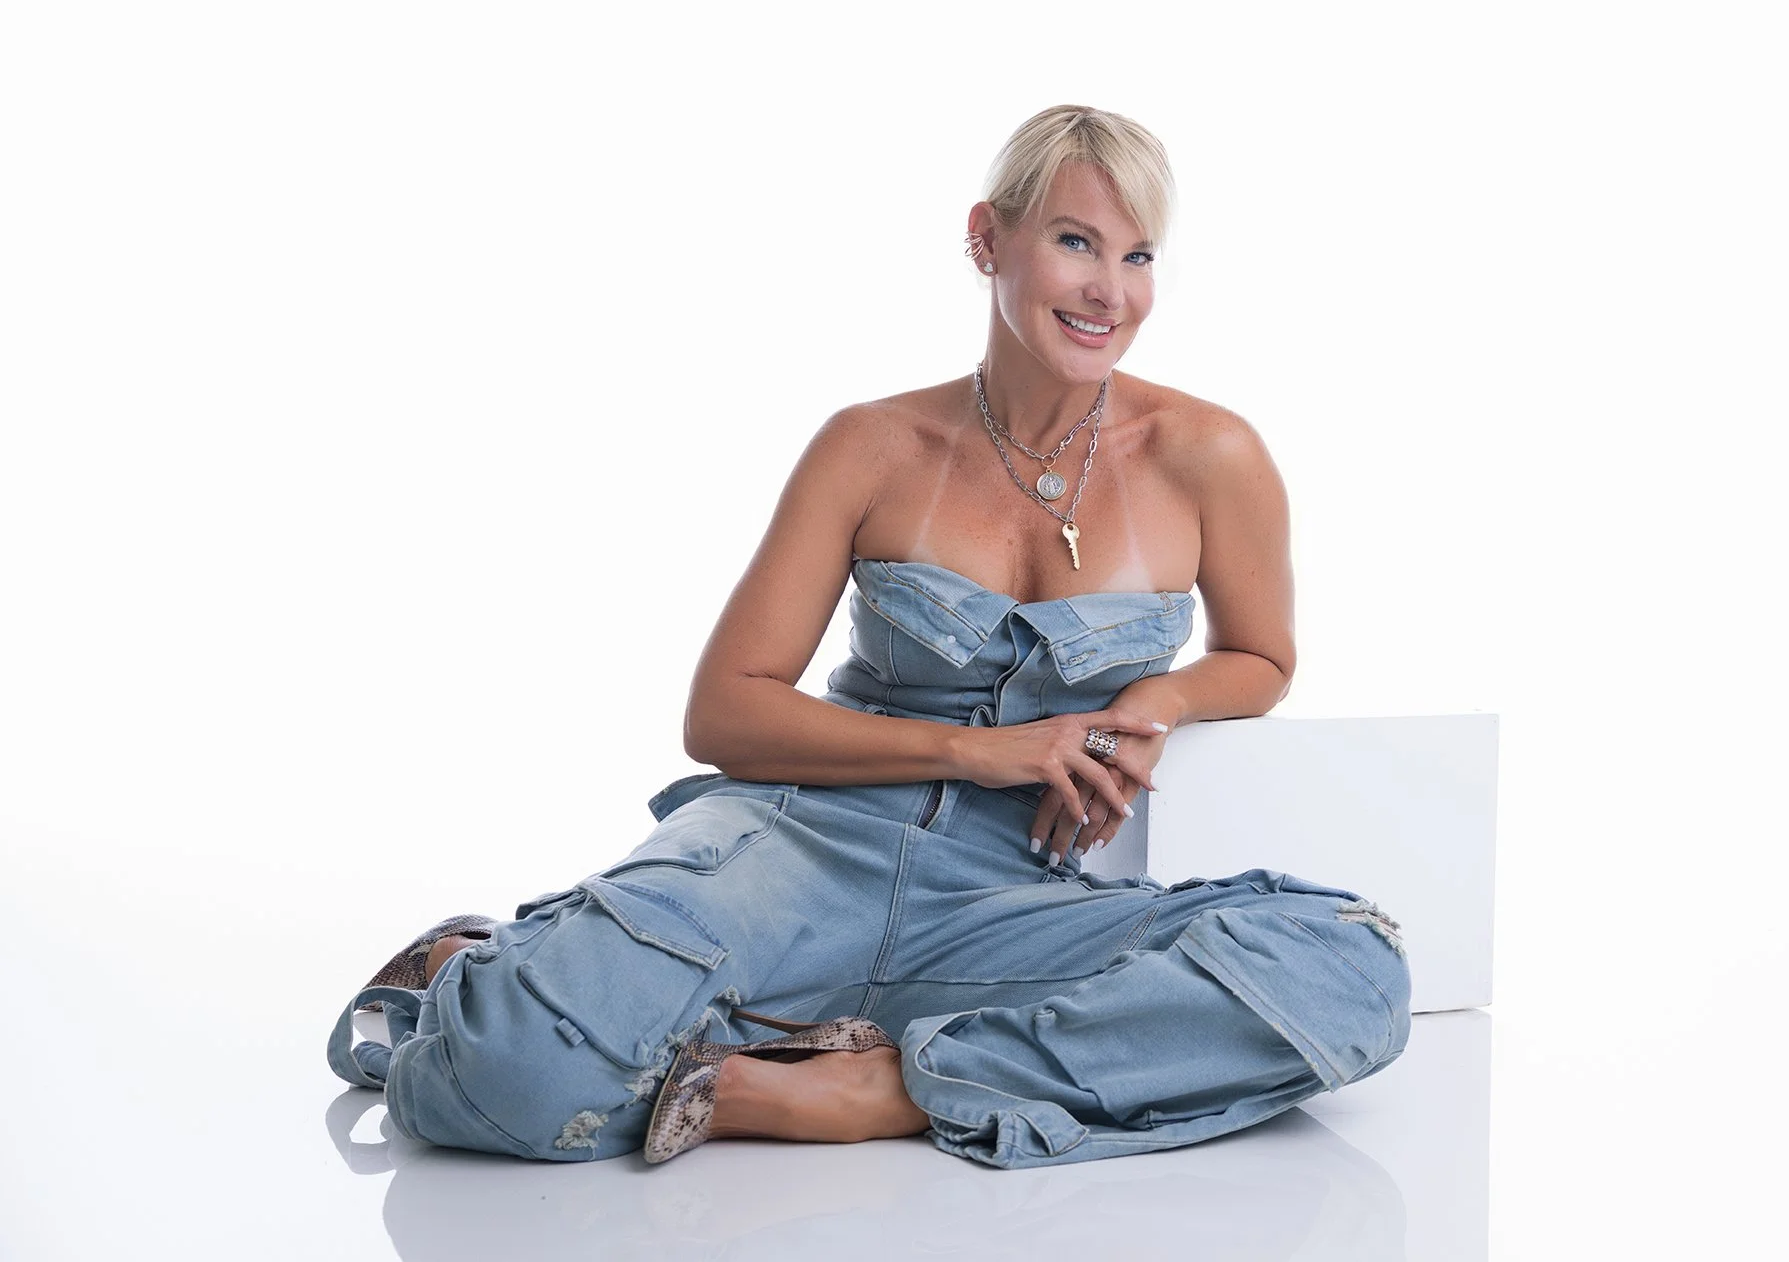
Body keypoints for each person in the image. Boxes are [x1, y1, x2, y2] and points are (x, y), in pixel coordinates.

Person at [327, 104, 1412, 1170]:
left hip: (1016, 891)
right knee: (508, 1075)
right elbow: (726, 710)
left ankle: (873, 1086)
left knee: (1352, 967)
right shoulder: (872, 446)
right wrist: (975, 748)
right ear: (989, 239)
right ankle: (497, 973)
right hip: (796, 849)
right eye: (1074, 242)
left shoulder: (1208, 453)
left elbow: (1262, 658)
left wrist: (1159, 701)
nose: (1109, 292)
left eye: (1136, 256)